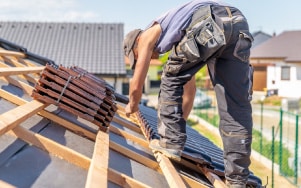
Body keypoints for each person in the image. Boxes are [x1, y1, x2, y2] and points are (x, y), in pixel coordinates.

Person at [123, 0, 254, 187]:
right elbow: (189, 92)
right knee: (235, 106)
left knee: (170, 75)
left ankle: (169, 143)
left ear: (136, 43)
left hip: (210, 20)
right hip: (238, 24)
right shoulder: (180, 36)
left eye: (136, 56)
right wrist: (177, 126)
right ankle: (237, 179)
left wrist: (132, 105)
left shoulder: (146, 35)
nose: (146, 58)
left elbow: (137, 84)